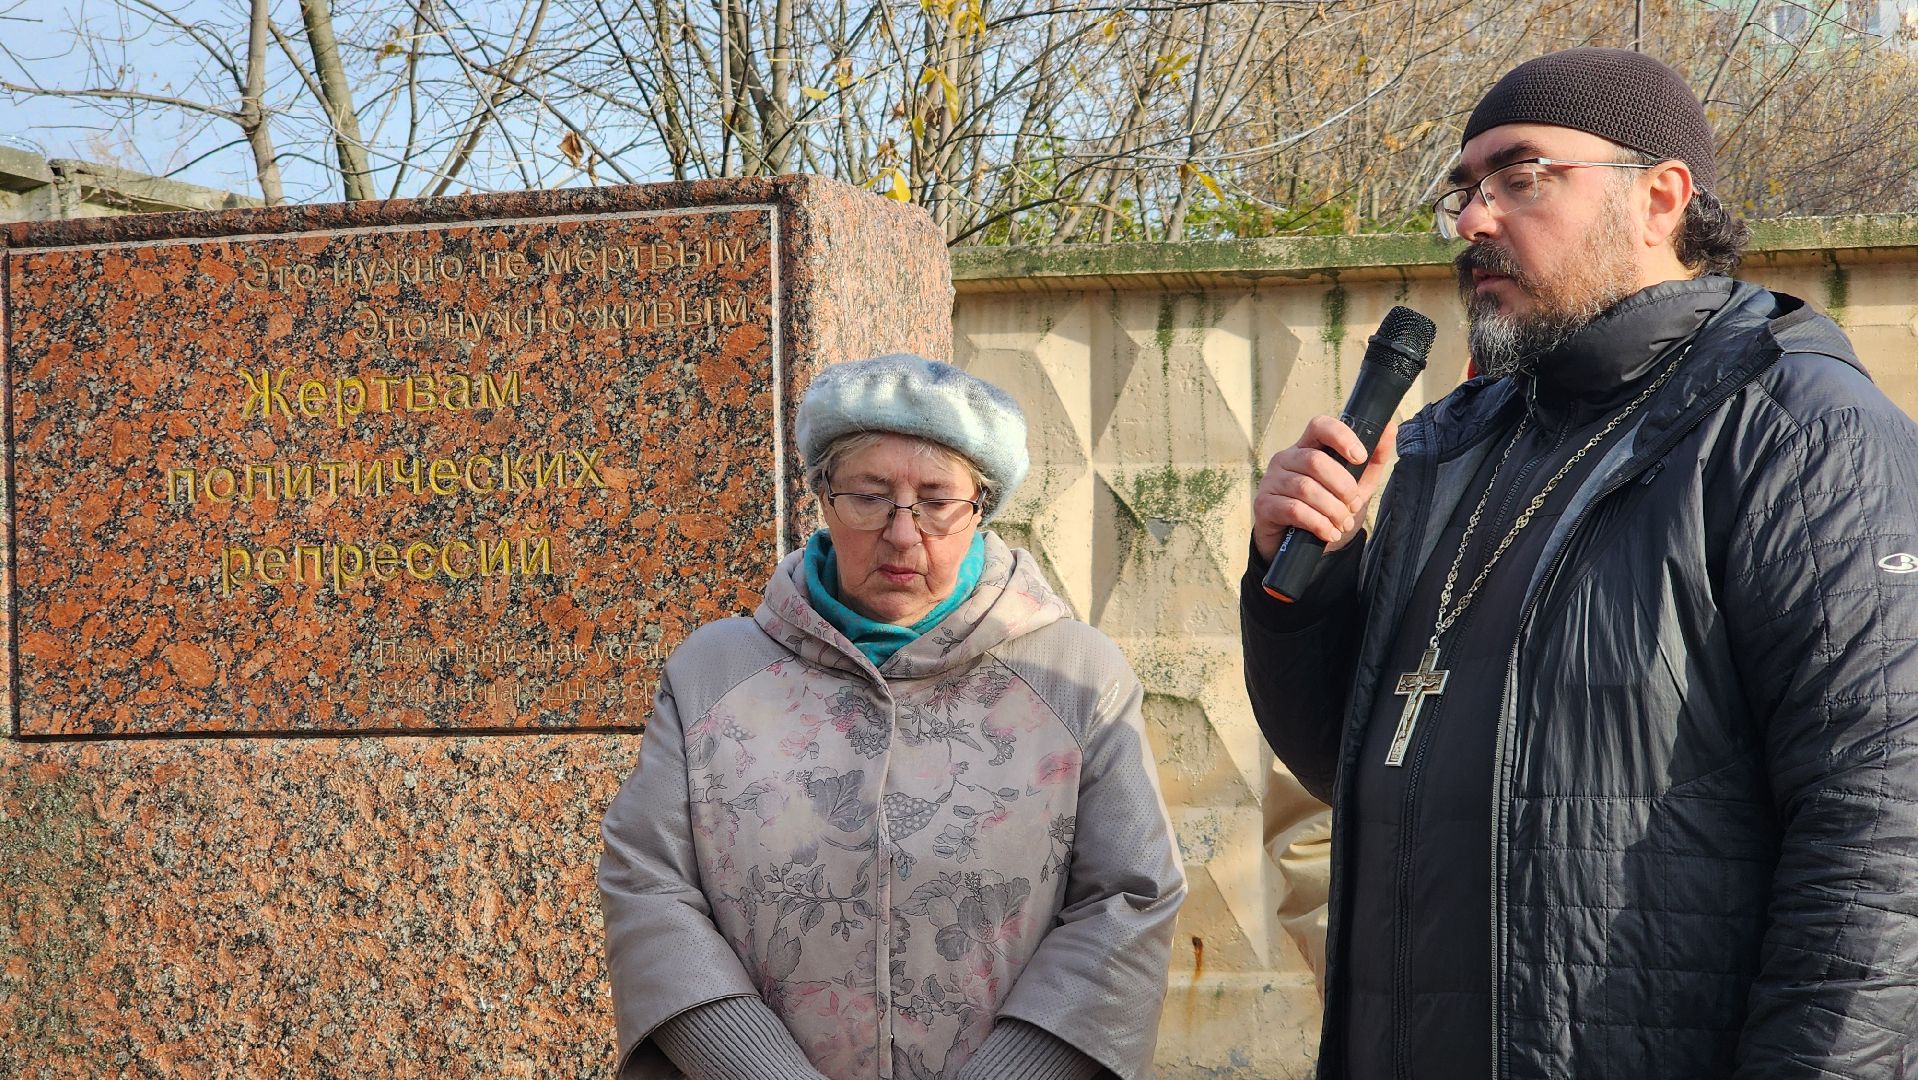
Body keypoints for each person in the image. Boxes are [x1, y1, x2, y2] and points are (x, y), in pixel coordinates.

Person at [1240, 48, 1918, 1079]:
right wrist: (1306, 592)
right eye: (1463, 191)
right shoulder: (1443, 448)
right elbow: (1354, 768)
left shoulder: (1795, 431)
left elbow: (1881, 843)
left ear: (1660, 197)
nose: (1472, 220)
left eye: (1520, 179)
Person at [601, 354, 1186, 1080]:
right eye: (868, 496)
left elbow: (1127, 898)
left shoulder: (1073, 676)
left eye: (937, 500)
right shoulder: (712, 674)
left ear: (982, 505)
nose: (903, 535)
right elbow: (649, 887)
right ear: (822, 495)